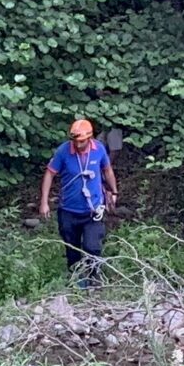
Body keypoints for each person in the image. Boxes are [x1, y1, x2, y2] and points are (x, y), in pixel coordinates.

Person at [40, 119, 119, 288]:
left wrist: (114, 192)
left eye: (82, 141)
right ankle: (76, 280)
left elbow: (107, 170)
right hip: (69, 210)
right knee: (72, 248)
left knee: (92, 246)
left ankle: (94, 277)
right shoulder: (63, 151)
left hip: (93, 210)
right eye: (75, 140)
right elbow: (49, 174)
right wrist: (44, 202)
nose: (78, 144)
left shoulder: (99, 149)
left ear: (89, 138)